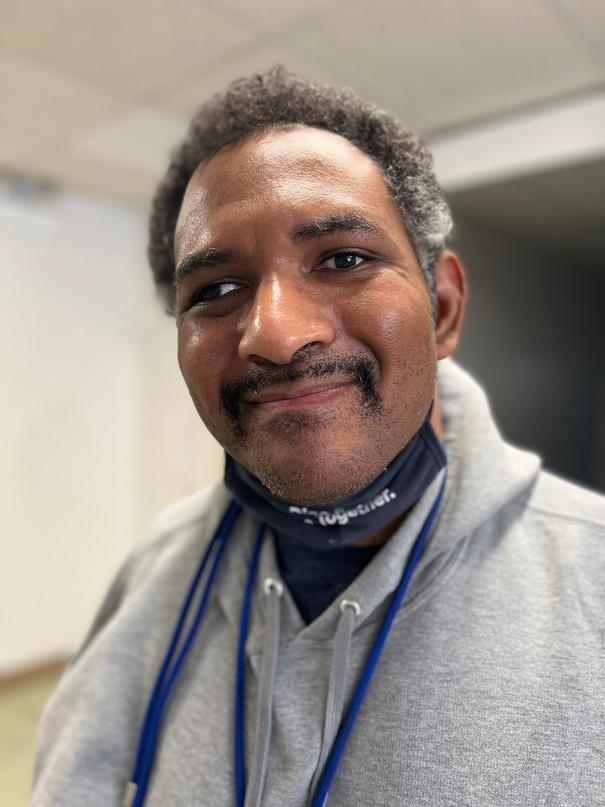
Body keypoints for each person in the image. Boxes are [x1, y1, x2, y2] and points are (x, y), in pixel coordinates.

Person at [32, 67, 605, 807]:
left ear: (443, 308)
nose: (275, 333)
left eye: (343, 259)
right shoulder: (154, 574)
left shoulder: (590, 586)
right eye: (215, 290)